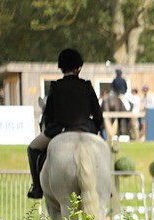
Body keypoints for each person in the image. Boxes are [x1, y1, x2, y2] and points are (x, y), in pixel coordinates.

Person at [27, 48, 105, 199]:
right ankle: (107, 188)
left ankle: (37, 188)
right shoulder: (87, 85)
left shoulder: (55, 87)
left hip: (59, 129)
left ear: (62, 68)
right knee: (103, 151)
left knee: (33, 149)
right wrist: (95, 128)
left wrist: (50, 127)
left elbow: (48, 116)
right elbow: (98, 115)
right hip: (86, 129)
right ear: (79, 67)